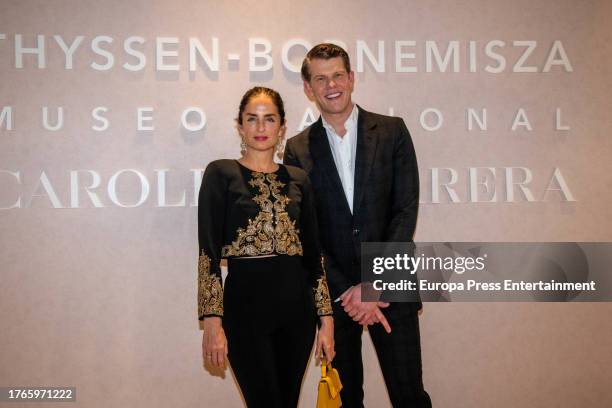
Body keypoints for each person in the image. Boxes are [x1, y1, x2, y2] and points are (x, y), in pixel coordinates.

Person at [284, 44, 431, 407]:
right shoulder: (297, 148)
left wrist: (373, 282)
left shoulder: (393, 131)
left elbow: (405, 210)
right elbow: (305, 230)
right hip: (336, 296)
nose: (330, 84)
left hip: (390, 284)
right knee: (346, 401)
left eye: (337, 75)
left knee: (409, 396)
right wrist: (347, 288)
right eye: (320, 79)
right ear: (308, 88)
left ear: (351, 78)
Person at [197, 86, 335, 408]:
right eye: (252, 119)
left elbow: (314, 258)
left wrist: (326, 320)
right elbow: (208, 255)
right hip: (244, 311)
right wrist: (212, 322)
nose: (261, 128)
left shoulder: (299, 179)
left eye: (269, 119)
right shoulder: (220, 173)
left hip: (296, 312)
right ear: (240, 126)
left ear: (282, 127)